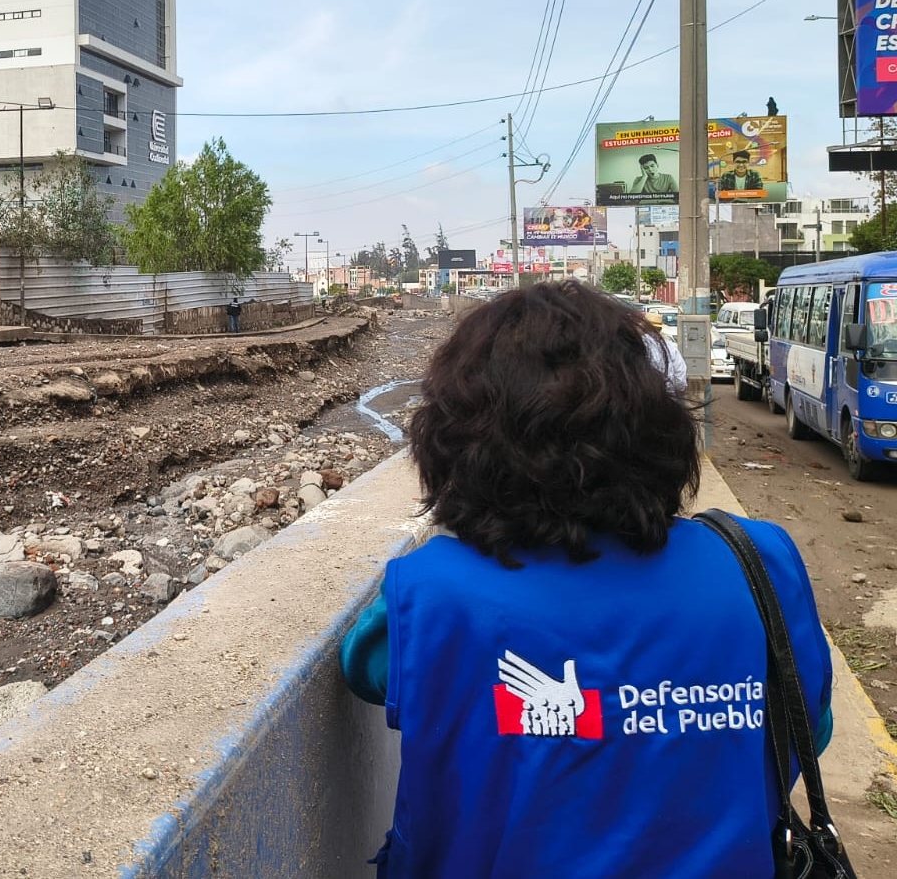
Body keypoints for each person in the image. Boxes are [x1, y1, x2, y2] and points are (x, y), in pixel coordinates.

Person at [339, 281, 833, 877]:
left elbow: (365, 669)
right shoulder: (761, 564)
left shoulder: (429, 595)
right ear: (660, 430)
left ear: (456, 445)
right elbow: (810, 726)